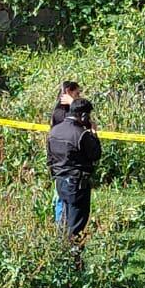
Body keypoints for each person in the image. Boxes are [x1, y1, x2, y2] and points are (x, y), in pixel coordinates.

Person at [47, 98, 101, 238]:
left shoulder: (54, 131)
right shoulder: (81, 134)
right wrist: (94, 134)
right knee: (76, 224)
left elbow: (50, 158)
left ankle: (61, 254)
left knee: (63, 221)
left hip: (60, 181)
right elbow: (95, 154)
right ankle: (75, 257)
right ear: (84, 116)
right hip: (77, 184)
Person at [50, 81, 81, 224]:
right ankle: (62, 232)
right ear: (68, 91)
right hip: (64, 163)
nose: (79, 97)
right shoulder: (61, 113)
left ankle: (65, 231)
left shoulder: (65, 111)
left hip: (63, 162)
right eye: (77, 93)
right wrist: (73, 102)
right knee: (62, 200)